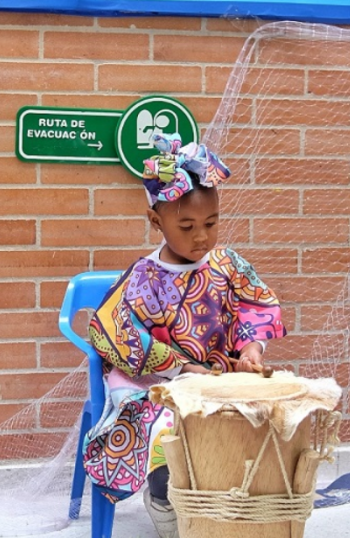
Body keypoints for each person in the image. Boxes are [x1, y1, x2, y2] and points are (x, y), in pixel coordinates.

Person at [82, 134, 287, 538]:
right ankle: (164, 500)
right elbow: (110, 331)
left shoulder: (228, 264)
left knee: (266, 419)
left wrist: (250, 348)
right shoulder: (144, 278)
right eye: (187, 225)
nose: (201, 238)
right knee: (168, 436)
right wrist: (181, 367)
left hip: (218, 378)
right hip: (157, 386)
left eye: (211, 223)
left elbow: (257, 305)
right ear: (155, 221)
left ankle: (230, 505)